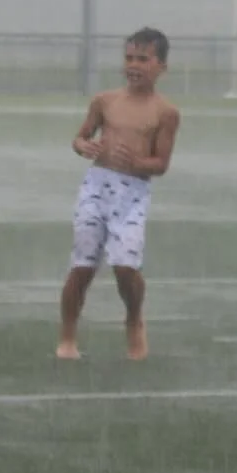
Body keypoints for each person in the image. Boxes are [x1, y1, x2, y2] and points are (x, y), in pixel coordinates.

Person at [57, 28, 181, 362]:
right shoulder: (105, 101)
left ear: (161, 66)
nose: (134, 65)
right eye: (129, 58)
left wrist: (139, 162)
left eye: (143, 59)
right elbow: (80, 137)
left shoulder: (165, 112)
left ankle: (134, 318)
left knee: (125, 267)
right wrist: (83, 145)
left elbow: (161, 163)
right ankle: (68, 335)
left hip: (133, 192)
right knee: (82, 265)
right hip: (97, 186)